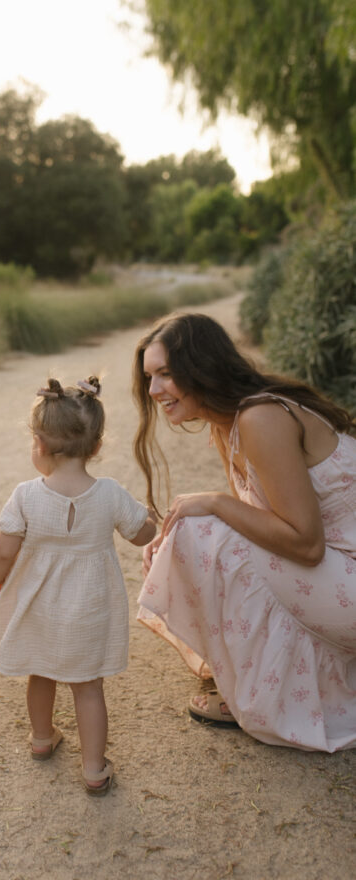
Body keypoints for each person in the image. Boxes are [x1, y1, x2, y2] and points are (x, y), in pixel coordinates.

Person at [132, 311, 356, 752]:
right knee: (198, 528)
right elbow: (265, 526)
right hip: (340, 575)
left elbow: (306, 546)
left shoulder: (261, 417)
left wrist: (216, 502)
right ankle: (257, 674)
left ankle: (260, 693)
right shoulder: (229, 423)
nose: (154, 390)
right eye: (150, 377)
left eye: (165, 374)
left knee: (204, 529)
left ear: (201, 368)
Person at [0, 376, 156, 795]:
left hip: (39, 605)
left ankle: (42, 739)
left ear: (39, 445)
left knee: (40, 673)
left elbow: (4, 549)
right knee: (88, 685)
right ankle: (94, 768)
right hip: (89, 607)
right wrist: (149, 517)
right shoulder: (111, 494)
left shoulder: (25, 495)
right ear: (96, 446)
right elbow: (142, 534)